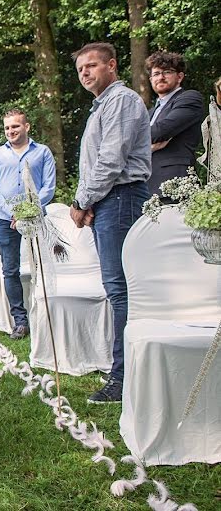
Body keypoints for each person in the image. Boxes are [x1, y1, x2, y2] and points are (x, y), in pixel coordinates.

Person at [70, 42, 151, 404]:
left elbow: (110, 160)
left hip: (121, 199)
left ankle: (124, 377)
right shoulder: (102, 105)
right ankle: (124, 370)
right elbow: (96, 165)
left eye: (91, 66)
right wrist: (90, 202)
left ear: (112, 66)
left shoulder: (122, 101)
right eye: (80, 69)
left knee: (121, 290)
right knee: (115, 288)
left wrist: (81, 201)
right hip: (109, 201)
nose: (85, 73)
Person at [0, 109, 56, 339]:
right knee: (10, 269)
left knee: (42, 265)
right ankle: (21, 321)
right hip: (5, 219)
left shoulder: (42, 152)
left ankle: (45, 315)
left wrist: (28, 210)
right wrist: (11, 210)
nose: (10, 131)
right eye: (7, 128)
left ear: (27, 126)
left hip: (35, 217)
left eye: (15, 126)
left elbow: (48, 187)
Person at [144, 51, 205, 197]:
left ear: (180, 76)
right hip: (145, 189)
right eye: (156, 73)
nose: (161, 77)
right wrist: (147, 148)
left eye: (167, 72)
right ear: (151, 79)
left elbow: (161, 131)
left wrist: (136, 143)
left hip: (175, 185)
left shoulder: (189, 98)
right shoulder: (148, 113)